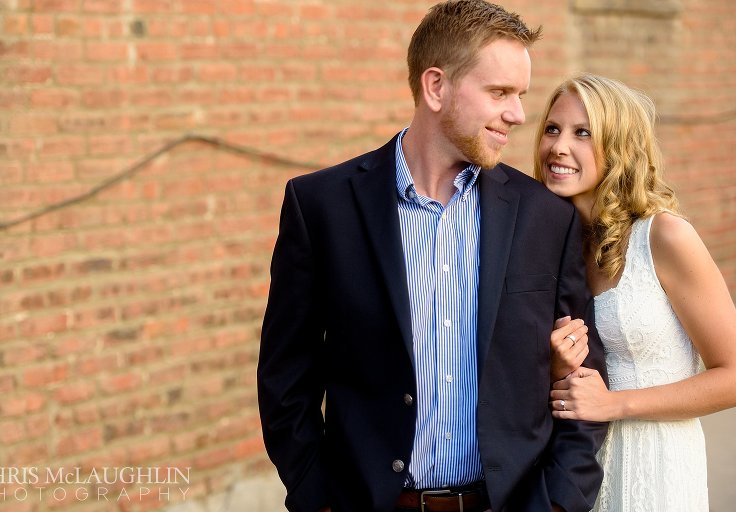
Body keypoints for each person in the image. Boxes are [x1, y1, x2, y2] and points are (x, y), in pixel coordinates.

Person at [257, 2, 608, 511]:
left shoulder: (546, 219)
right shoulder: (322, 207)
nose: (518, 114)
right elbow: (285, 379)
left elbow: (583, 382)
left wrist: (557, 503)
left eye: (521, 95)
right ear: (436, 87)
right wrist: (318, 497)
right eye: (499, 93)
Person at [535, 73, 736, 511]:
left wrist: (614, 404)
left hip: (656, 469)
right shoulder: (551, 245)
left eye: (582, 133)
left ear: (620, 148)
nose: (558, 147)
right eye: (552, 128)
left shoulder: (664, 236)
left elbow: (733, 374)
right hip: (574, 475)